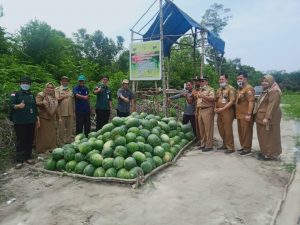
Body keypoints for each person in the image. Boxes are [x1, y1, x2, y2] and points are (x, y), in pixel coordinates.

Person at [10, 76, 40, 169]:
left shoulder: (31, 94)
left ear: (30, 84)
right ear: (20, 84)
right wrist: (18, 105)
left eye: (27, 83)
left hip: (30, 121)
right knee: (21, 140)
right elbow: (11, 105)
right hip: (20, 121)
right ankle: (19, 160)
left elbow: (34, 107)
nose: (25, 85)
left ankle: (28, 157)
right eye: (23, 83)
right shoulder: (15, 94)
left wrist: (37, 118)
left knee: (29, 139)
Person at [253, 75, 282, 160]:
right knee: (263, 136)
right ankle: (264, 151)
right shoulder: (266, 90)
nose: (263, 83)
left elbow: (272, 105)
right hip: (262, 117)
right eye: (262, 81)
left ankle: (269, 155)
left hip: (268, 118)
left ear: (271, 81)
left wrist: (267, 117)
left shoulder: (274, 91)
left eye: (266, 81)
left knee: (269, 136)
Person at [191, 76, 215, 152]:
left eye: (202, 81)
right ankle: (203, 144)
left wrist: (203, 96)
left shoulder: (210, 89)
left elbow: (212, 98)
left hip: (207, 109)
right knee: (201, 129)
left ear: (206, 82)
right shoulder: (200, 90)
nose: (201, 82)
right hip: (200, 110)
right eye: (200, 81)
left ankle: (209, 145)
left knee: (208, 128)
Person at [35, 82, 61, 153]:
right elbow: (36, 103)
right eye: (48, 87)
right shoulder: (41, 95)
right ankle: (42, 149)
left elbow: (56, 107)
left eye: (51, 88)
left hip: (52, 118)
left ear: (53, 89)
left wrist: (59, 117)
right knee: (43, 135)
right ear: (45, 88)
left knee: (51, 134)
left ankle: (51, 148)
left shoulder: (54, 96)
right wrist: (42, 103)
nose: (49, 89)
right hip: (43, 117)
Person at [215, 74, 236, 154]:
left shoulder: (231, 89)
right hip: (219, 112)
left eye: (222, 79)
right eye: (220, 79)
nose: (220, 81)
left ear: (227, 80)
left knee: (228, 130)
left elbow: (232, 101)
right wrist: (215, 107)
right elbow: (216, 100)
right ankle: (224, 144)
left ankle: (230, 147)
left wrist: (222, 109)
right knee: (221, 129)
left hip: (227, 112)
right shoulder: (219, 90)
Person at [235, 72, 255, 156]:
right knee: (241, 132)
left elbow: (251, 101)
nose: (239, 80)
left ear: (245, 79)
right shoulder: (240, 89)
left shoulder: (248, 88)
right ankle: (243, 146)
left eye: (240, 78)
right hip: (239, 114)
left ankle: (247, 149)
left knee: (247, 132)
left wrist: (249, 114)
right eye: (238, 79)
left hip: (246, 115)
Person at [55, 76, 74, 145]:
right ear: (61, 81)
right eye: (63, 81)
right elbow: (57, 99)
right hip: (61, 111)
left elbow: (72, 101)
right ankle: (60, 142)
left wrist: (74, 112)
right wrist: (64, 96)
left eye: (66, 81)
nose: (65, 82)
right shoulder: (57, 89)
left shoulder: (70, 90)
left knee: (70, 127)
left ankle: (68, 141)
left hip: (70, 112)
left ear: (68, 82)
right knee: (61, 128)